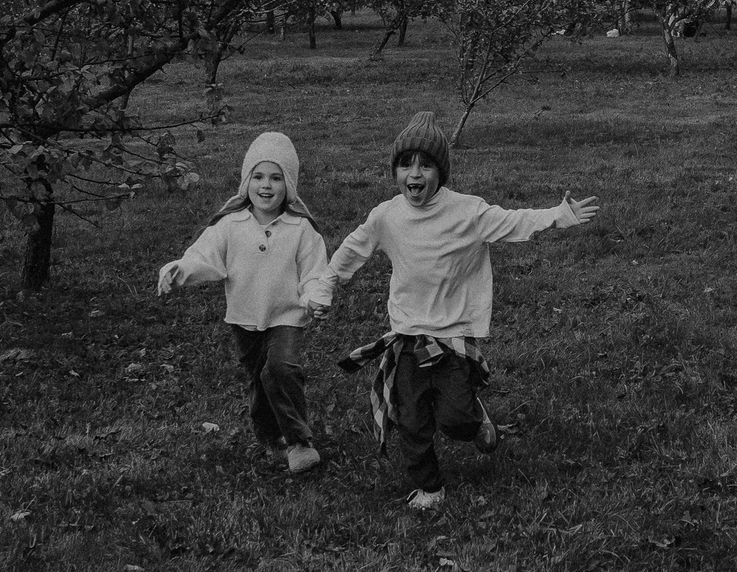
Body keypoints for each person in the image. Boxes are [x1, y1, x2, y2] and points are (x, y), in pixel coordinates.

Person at [302, 111, 599, 511]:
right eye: (406, 164)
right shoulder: (386, 216)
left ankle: (475, 419)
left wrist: (557, 216)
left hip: (453, 336)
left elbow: (512, 222)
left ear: (441, 171)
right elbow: (350, 251)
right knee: (411, 420)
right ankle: (429, 487)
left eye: (426, 164)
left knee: (455, 420)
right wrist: (325, 284)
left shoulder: (467, 212)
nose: (415, 173)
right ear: (395, 170)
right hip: (406, 336)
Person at [156, 131, 331, 475]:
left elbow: (315, 273)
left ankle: (299, 442)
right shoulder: (230, 225)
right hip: (245, 316)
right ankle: (269, 433)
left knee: (280, 369)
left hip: (287, 316)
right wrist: (180, 269)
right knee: (258, 379)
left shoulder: (301, 229)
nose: (266, 186)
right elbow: (204, 256)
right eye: (259, 176)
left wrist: (314, 298)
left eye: (276, 178)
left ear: (289, 184)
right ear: (246, 180)